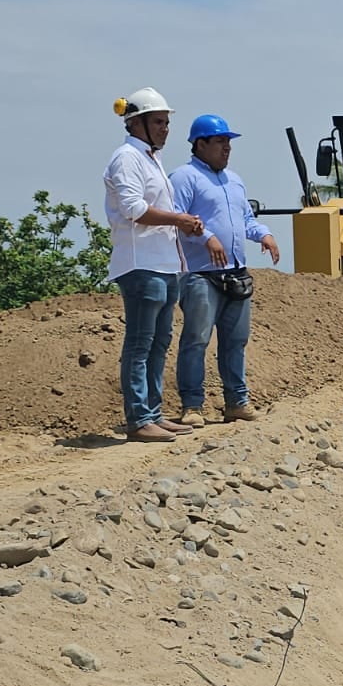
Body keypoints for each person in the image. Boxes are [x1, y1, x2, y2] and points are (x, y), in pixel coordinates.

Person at [103, 87, 205, 443]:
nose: (165, 128)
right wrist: (179, 219)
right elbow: (134, 209)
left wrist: (180, 223)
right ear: (136, 123)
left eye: (166, 122)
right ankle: (138, 418)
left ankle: (153, 413)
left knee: (159, 341)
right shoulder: (127, 158)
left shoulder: (150, 159)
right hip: (140, 263)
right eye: (158, 122)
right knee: (140, 343)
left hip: (163, 264)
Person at [169, 114, 281, 426]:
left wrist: (264, 234)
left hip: (236, 273)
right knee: (196, 340)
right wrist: (206, 237)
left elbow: (245, 219)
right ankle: (192, 406)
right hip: (200, 274)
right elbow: (176, 218)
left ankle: (237, 402)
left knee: (236, 341)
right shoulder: (184, 177)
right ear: (200, 144)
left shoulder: (234, 180)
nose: (227, 147)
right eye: (220, 141)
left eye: (228, 142)